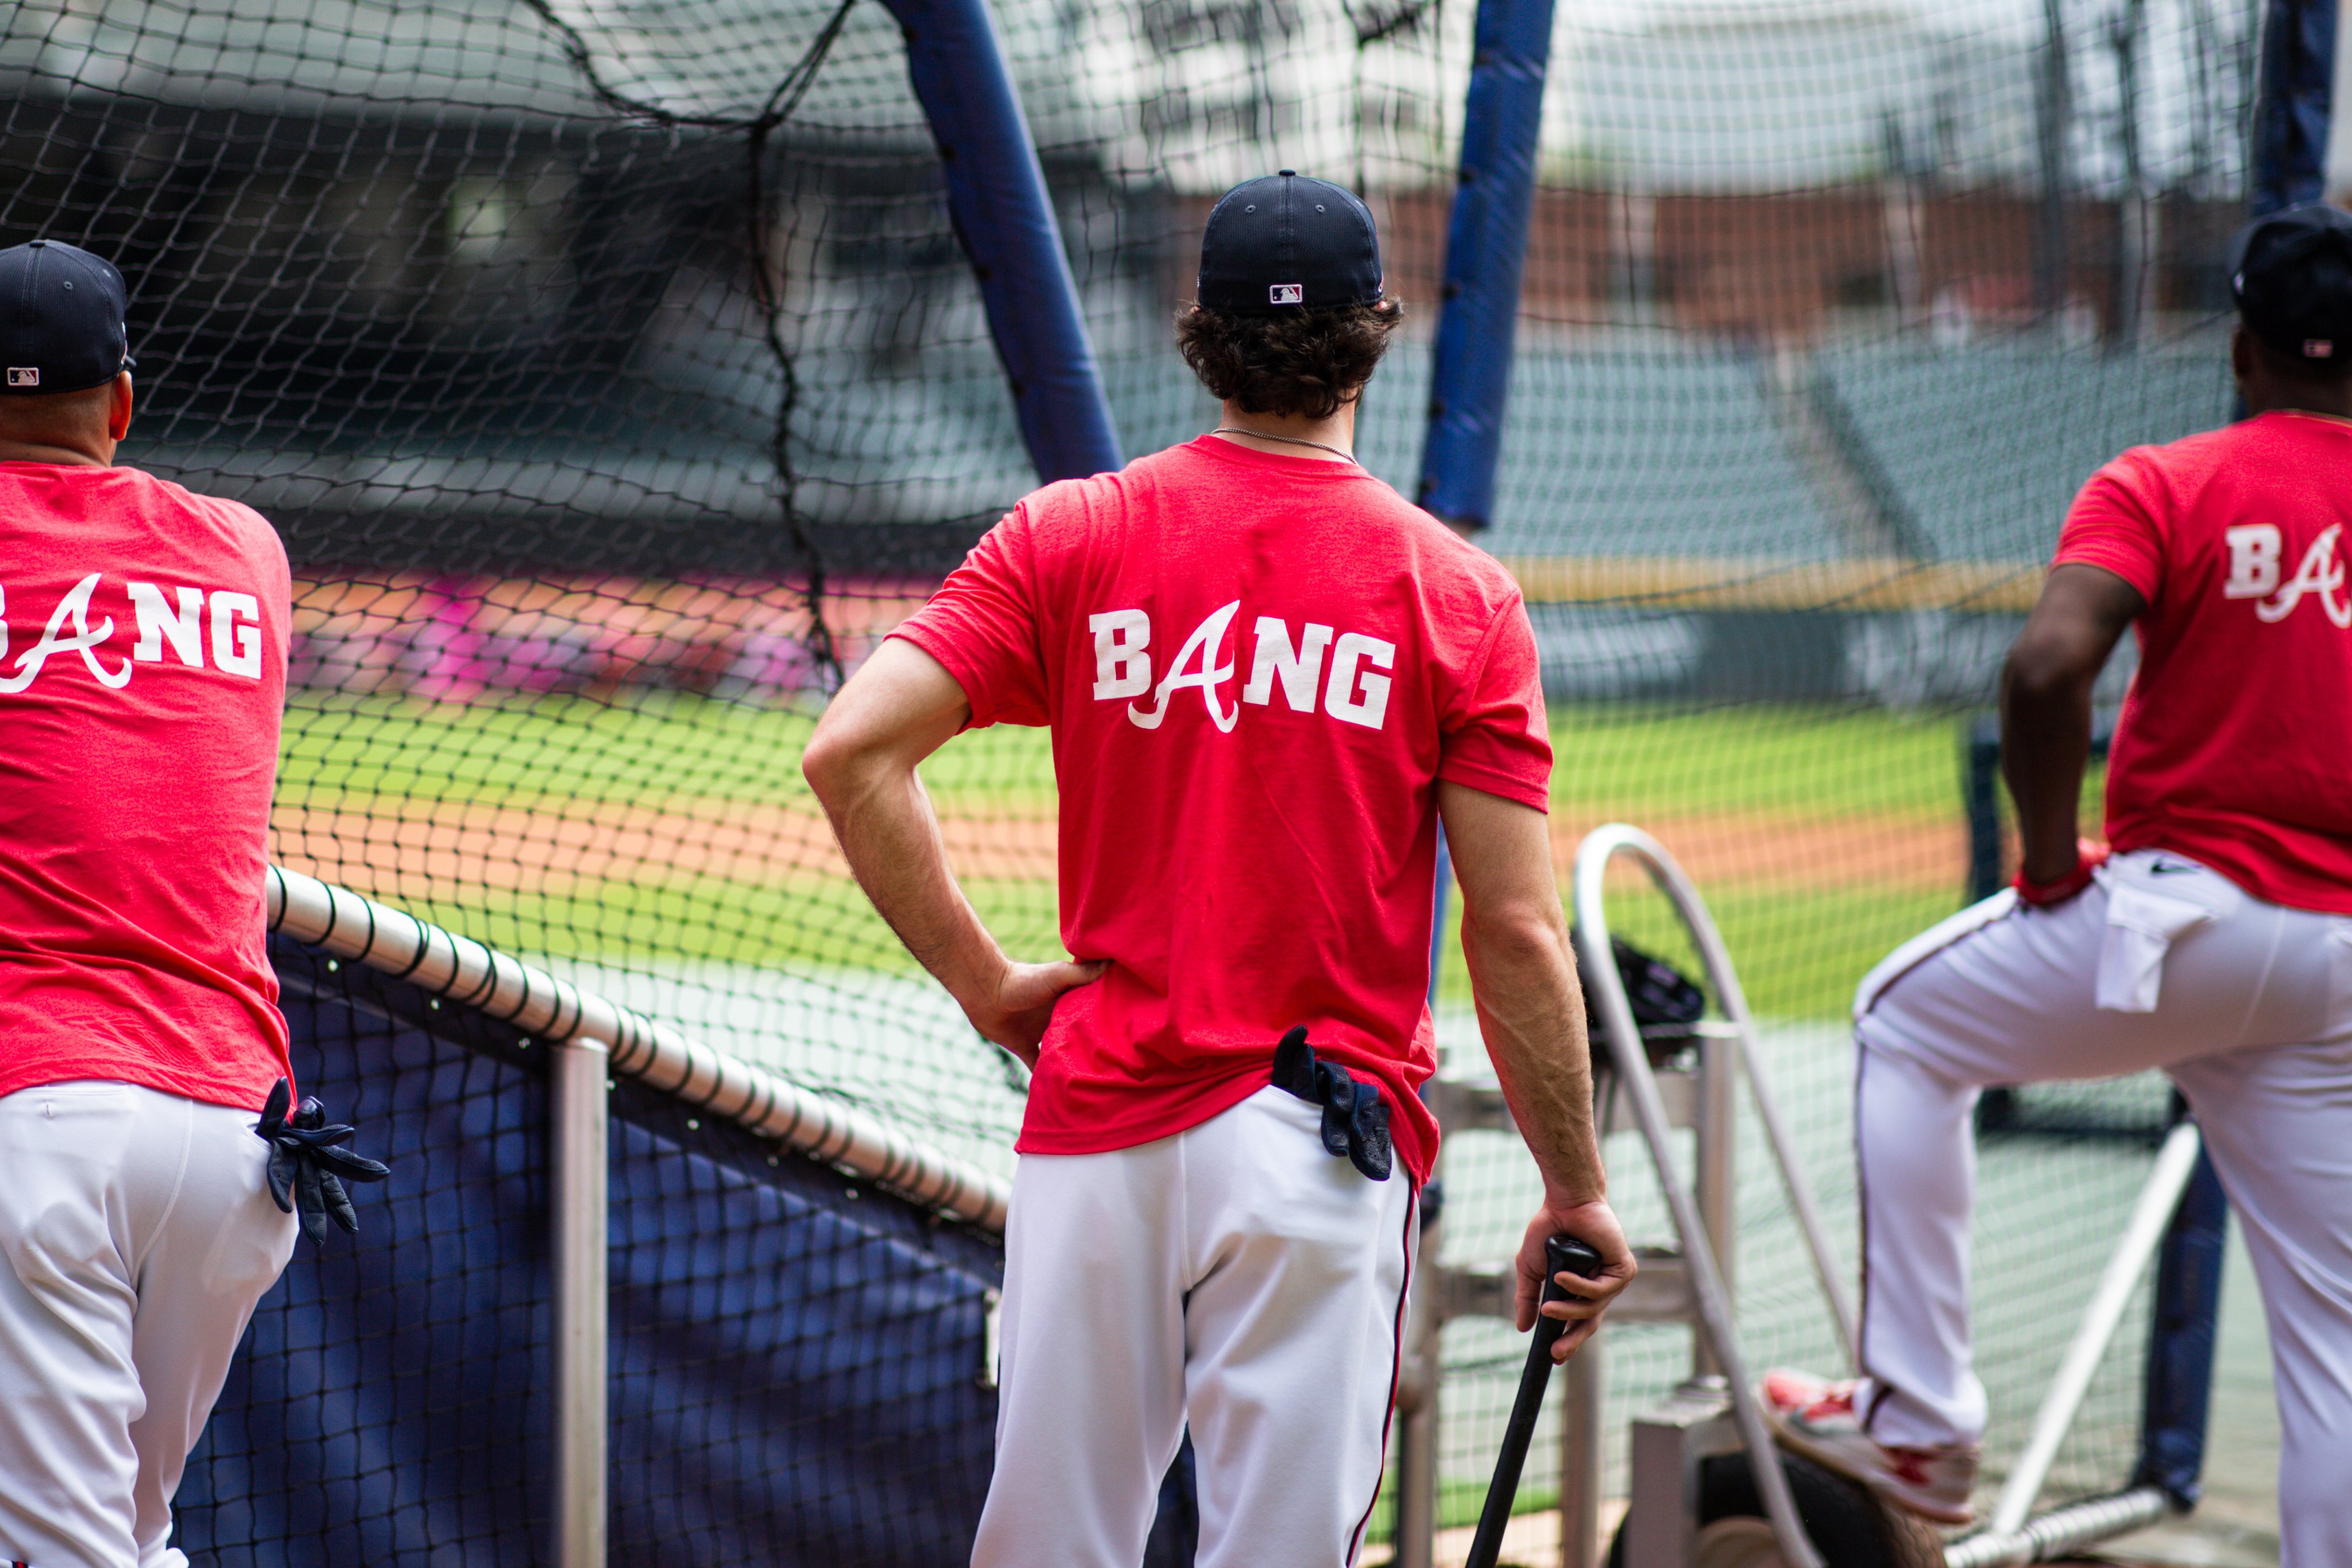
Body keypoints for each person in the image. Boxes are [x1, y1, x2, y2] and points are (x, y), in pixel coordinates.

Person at [802, 171, 1636, 1567]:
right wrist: (1574, 1186)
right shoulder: (1455, 595)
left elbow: (849, 755)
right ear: (1377, 331)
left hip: (1099, 1125)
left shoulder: (1072, 533)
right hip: (1319, 1145)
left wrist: (989, 987)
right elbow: (1512, 927)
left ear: (1198, 332)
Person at [1759, 203, 2352, 1563]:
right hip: (2335, 966)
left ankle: (1917, 1416)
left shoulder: (2164, 476)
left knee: (1899, 1021)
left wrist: (2039, 861)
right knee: (2329, 1350)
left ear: (2243, 346)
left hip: (2183, 918)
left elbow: (2041, 670)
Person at [0, 239, 305, 1568]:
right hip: (238, 1146)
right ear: (120, 403)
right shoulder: (246, 547)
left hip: (39, 1123)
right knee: (128, 1536)